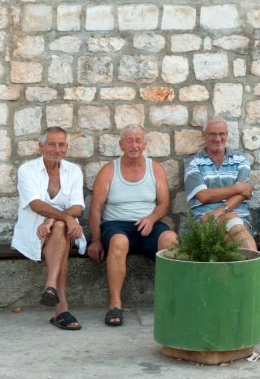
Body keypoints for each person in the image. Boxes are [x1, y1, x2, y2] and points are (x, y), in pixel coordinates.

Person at [88, 125, 178, 326]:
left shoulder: (155, 168)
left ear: (145, 144)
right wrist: (95, 240)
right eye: (129, 140)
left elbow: (164, 204)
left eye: (138, 140)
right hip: (116, 226)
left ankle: (173, 300)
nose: (134, 145)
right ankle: (115, 305)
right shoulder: (109, 171)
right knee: (119, 242)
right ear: (121, 145)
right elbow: (95, 209)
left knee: (170, 239)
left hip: (148, 224)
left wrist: (152, 218)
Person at [184, 116, 260, 291]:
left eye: (221, 134)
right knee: (231, 221)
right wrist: (236, 188)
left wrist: (219, 210)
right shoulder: (194, 163)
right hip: (204, 224)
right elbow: (203, 196)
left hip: (234, 220)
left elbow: (243, 194)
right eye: (212, 134)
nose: (218, 139)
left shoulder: (239, 159)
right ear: (203, 135)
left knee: (231, 223)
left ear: (227, 134)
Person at [12, 127, 86, 330]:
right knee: (63, 226)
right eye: (51, 144)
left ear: (66, 148)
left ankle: (51, 287)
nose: (56, 149)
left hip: (60, 228)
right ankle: (61, 307)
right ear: (41, 146)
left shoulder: (73, 171)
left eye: (61, 144)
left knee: (61, 227)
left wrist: (53, 221)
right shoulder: (27, 170)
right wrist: (61, 218)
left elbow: (78, 206)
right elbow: (36, 205)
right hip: (34, 229)